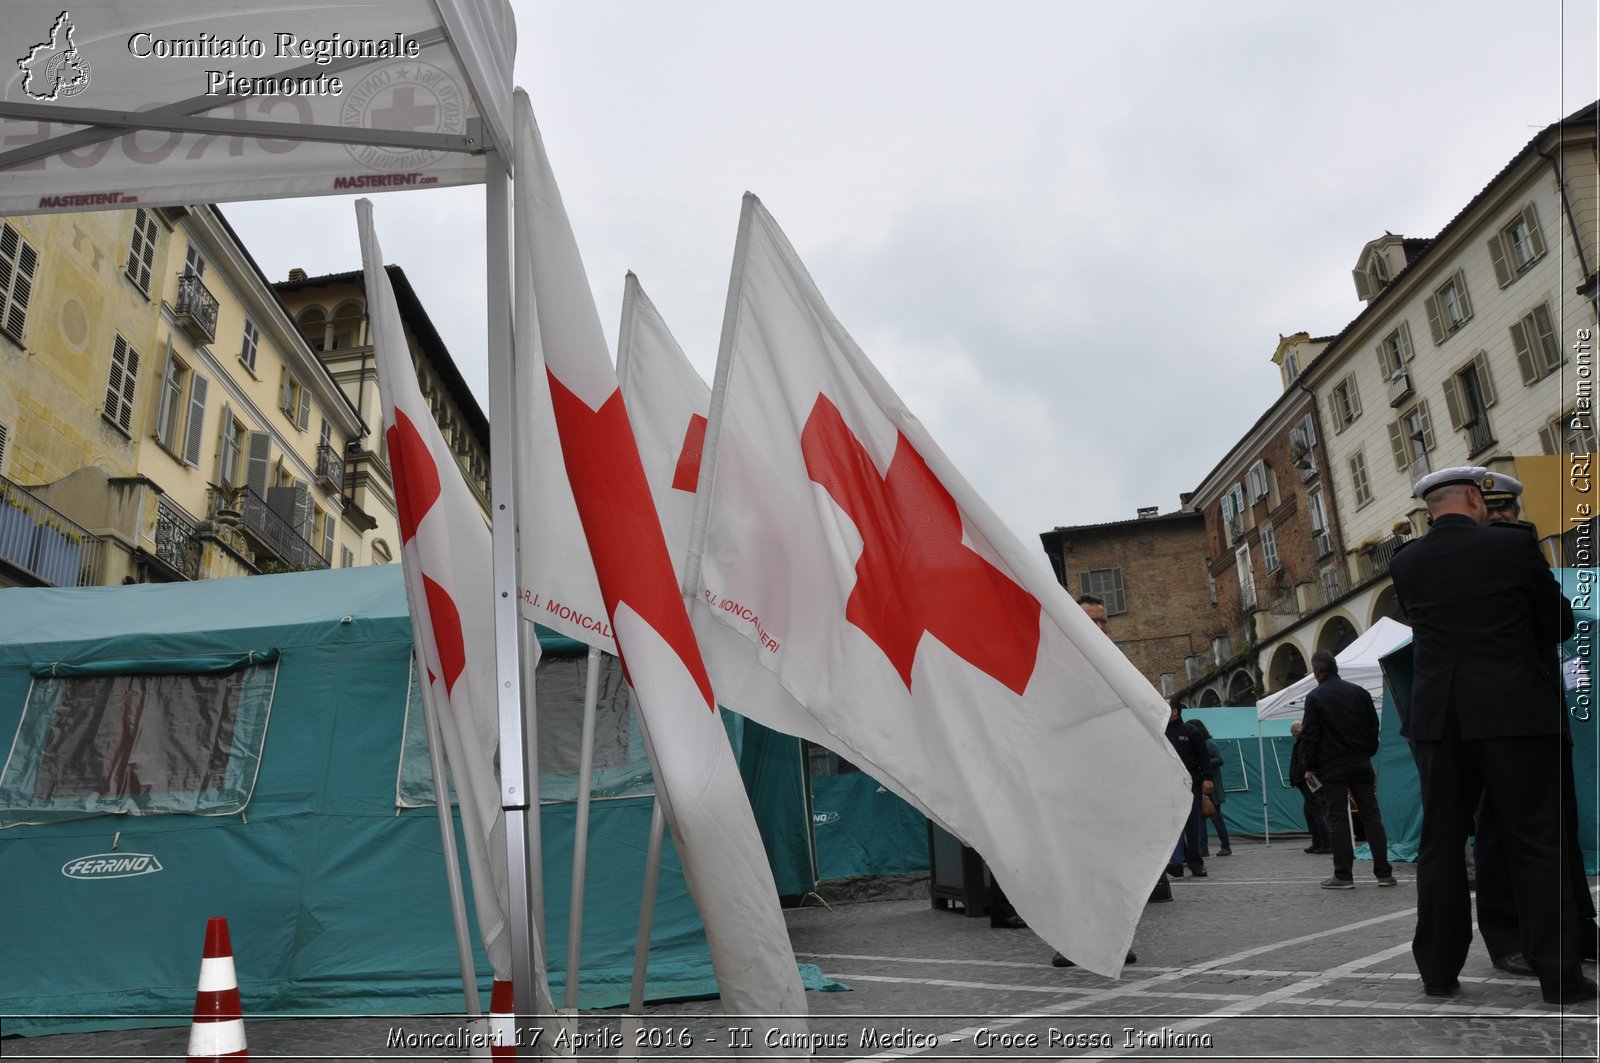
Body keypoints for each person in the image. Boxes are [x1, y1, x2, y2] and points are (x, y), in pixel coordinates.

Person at [1387, 466, 1594, 1004]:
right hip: (1512, 713)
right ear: (1476, 500)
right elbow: (1556, 625)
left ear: (1430, 510)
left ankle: (1437, 970)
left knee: (1440, 844)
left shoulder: (1405, 561)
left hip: (1439, 718)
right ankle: (1560, 977)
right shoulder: (1512, 547)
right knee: (1535, 841)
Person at [1472, 472, 1600, 975]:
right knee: (1502, 832)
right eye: (1493, 510)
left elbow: (1558, 623)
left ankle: (1575, 928)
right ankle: (1508, 937)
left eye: (1508, 511)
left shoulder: (1525, 555)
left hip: (1540, 708)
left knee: (1556, 827)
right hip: (1497, 717)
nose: (1503, 518)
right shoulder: (1479, 562)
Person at [1050, 593, 1139, 966]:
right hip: (1070, 780)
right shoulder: (1060, 665)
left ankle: (1116, 940)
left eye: (1104, 621)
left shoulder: (1119, 664)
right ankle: (1069, 943)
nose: (1102, 627)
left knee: (1113, 865)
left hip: (1111, 778)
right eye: (1093, 621)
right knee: (1073, 864)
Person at [1299, 651, 1395, 889]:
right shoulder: (1359, 692)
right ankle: (1384, 873)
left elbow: (1310, 735)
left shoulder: (1315, 697)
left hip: (1332, 765)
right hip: (1361, 761)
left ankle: (1343, 875)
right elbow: (1374, 725)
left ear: (1317, 671)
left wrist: (1310, 766)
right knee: (1371, 815)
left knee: (1338, 818)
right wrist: (1369, 751)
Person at [1164, 700, 1213, 879]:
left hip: (1190, 782)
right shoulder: (1159, 732)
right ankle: (1176, 863)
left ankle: (1195, 864)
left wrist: (1207, 778)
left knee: (1192, 825)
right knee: (1173, 825)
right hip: (1169, 784)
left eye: (1166, 706)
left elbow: (1203, 756)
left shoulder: (1190, 731)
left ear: (1175, 711)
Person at [1187, 718, 1231, 856]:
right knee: (1200, 819)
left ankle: (1226, 846)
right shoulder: (1194, 746)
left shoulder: (1210, 743)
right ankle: (1203, 849)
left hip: (1212, 787)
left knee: (1216, 818)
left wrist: (1204, 763)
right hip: (1199, 788)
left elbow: (1220, 759)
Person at [1288, 721, 1332, 854]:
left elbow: (1303, 762)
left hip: (1308, 780)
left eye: (1293, 733)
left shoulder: (1304, 742)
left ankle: (1326, 844)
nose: (1293, 735)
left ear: (1296, 731)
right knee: (1310, 812)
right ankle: (1317, 842)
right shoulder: (1307, 740)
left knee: (1317, 812)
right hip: (1310, 780)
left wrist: (1299, 777)